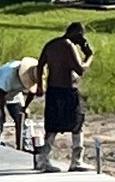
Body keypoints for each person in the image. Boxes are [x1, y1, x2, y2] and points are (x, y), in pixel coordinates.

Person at [35, 23, 93, 170]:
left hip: (53, 90)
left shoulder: (51, 44)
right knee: (77, 124)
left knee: (52, 125)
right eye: (80, 35)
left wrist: (40, 85)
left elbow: (40, 64)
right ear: (75, 33)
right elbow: (80, 69)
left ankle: (43, 159)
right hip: (68, 90)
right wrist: (89, 56)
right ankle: (76, 161)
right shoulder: (68, 46)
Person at [0, 56, 39, 147]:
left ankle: (24, 144)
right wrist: (2, 113)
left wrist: (25, 108)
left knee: (22, 118)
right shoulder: (9, 76)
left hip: (15, 92)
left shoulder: (34, 75)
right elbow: (0, 95)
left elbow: (31, 94)